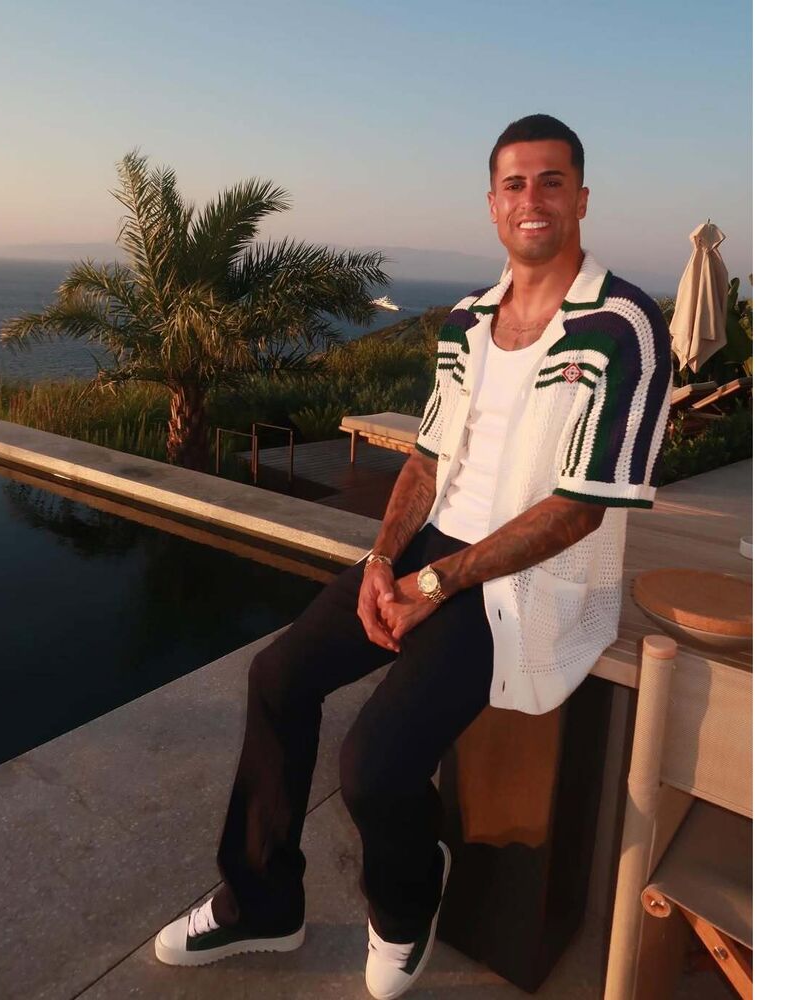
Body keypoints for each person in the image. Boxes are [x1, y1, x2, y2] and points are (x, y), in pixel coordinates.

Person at [153, 113, 673, 999]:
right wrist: (382, 563)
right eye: (514, 183)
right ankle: (262, 902)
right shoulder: (466, 321)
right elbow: (428, 461)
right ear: (493, 204)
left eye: (551, 181)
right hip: (431, 553)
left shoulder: (624, 326)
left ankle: (409, 895)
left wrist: (433, 584)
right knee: (278, 677)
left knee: (372, 768)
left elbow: (579, 509)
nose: (532, 199)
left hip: (521, 581)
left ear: (582, 199)